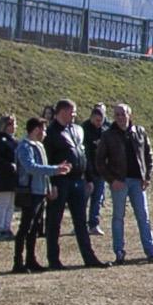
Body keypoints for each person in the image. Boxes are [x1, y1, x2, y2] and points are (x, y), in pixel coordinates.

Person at [98, 103, 153, 263]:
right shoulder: (108, 135)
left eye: (123, 114)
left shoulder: (139, 132)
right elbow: (99, 161)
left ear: (129, 115)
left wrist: (147, 176)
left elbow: (149, 155)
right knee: (118, 217)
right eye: (117, 114)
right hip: (119, 182)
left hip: (138, 182)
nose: (120, 117)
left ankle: (152, 251)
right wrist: (112, 180)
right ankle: (119, 252)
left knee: (144, 217)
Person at [45, 101, 104, 268]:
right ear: (62, 112)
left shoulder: (76, 130)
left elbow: (83, 154)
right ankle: (54, 259)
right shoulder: (51, 133)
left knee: (80, 221)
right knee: (54, 221)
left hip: (78, 180)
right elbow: (47, 160)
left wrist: (89, 178)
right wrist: (51, 184)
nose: (74, 115)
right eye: (72, 112)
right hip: (60, 181)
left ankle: (89, 258)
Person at [12, 115, 56, 272]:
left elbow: (43, 168)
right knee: (25, 227)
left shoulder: (39, 146)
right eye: (43, 129)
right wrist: (55, 170)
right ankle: (18, 262)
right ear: (37, 130)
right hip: (29, 191)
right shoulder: (24, 147)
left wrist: (48, 187)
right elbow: (31, 167)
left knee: (35, 228)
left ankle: (31, 259)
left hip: (40, 191)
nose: (45, 133)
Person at [80, 103, 110, 237]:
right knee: (84, 199)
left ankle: (94, 224)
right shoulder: (84, 129)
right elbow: (84, 153)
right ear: (92, 117)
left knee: (97, 199)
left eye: (101, 121)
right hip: (87, 170)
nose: (99, 123)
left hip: (101, 171)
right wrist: (88, 172)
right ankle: (80, 224)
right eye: (97, 120)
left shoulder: (104, 131)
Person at [0, 114, 19, 242]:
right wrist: (9, 165)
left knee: (11, 204)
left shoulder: (13, 140)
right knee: (3, 203)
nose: (13, 127)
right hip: (3, 176)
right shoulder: (0, 139)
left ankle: (7, 227)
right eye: (10, 124)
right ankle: (0, 228)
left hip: (13, 177)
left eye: (14, 124)